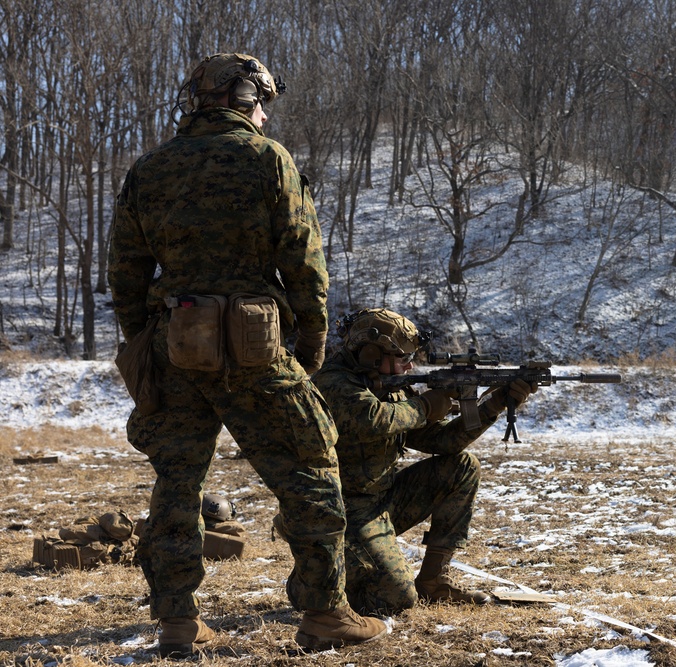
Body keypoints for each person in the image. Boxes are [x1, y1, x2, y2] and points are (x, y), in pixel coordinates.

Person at [108, 53, 386, 658]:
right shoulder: (268, 158)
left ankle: (177, 621)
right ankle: (325, 612)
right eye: (262, 101)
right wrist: (311, 342)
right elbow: (303, 261)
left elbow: (125, 271)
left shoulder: (150, 168)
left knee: (176, 480)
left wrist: (144, 344)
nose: (265, 113)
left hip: (174, 340)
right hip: (255, 346)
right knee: (310, 464)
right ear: (242, 97)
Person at [274, 308, 537, 616]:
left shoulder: (388, 386)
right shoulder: (333, 384)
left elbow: (443, 441)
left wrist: (494, 405)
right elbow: (373, 419)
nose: (410, 365)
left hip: (382, 501)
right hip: (338, 512)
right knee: (396, 597)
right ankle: (311, 580)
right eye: (403, 357)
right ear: (371, 354)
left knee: (462, 467)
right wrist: (424, 405)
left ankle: (434, 581)